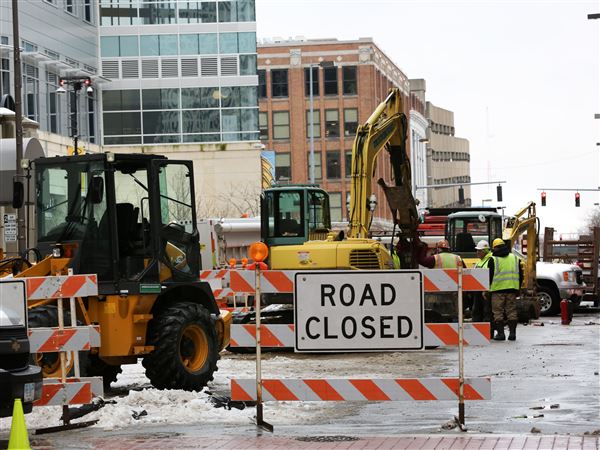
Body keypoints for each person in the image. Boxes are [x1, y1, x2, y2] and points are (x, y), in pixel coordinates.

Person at [488, 238, 523, 341]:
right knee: (511, 312)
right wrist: (518, 288)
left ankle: (501, 334)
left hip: (497, 290)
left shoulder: (493, 259)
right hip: (512, 289)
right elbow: (521, 275)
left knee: (498, 312)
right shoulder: (515, 258)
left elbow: (489, 276)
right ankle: (512, 334)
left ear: (494, 248)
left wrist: (487, 290)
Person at [471, 240, 492, 333]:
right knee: (477, 311)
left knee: (487, 312)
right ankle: (477, 332)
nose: (477, 253)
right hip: (478, 291)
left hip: (485, 291)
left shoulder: (490, 260)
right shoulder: (480, 261)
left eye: (479, 251)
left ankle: (487, 332)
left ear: (485, 251)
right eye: (477, 251)